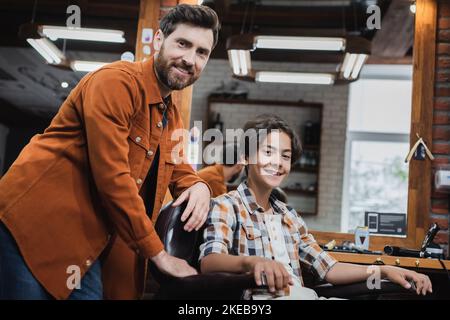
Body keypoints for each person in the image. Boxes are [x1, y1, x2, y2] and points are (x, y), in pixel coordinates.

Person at [0, 4, 219, 300]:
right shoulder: (115, 83)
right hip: (31, 227)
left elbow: (181, 170)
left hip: (83, 245)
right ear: (158, 40)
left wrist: (201, 186)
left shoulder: (171, 117)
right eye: (183, 44)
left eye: (201, 52)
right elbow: (113, 177)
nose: (190, 59)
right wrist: (159, 254)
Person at [199, 114, 433, 300]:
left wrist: (383, 270)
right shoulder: (225, 206)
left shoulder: (289, 217)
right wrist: (253, 263)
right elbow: (209, 262)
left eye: (286, 156)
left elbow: (328, 269)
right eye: (267, 152)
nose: (278, 163)